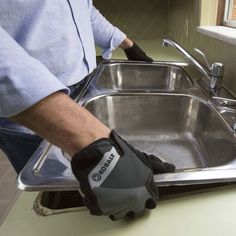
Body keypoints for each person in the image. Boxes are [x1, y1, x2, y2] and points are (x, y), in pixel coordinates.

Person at [0, 0, 175, 220]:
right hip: (27, 108)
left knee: (88, 199)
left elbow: (84, 10)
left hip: (83, 85)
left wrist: (126, 44)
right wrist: (96, 146)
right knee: (59, 205)